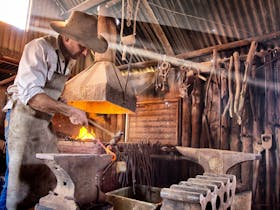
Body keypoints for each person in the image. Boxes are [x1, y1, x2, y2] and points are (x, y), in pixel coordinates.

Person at [0, 10, 108, 210]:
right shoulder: (38, 48)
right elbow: (32, 97)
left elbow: (50, 91)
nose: (85, 52)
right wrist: (69, 111)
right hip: (21, 119)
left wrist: (65, 103)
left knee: (45, 175)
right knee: (16, 179)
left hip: (42, 123)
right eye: (83, 46)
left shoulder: (70, 58)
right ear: (67, 37)